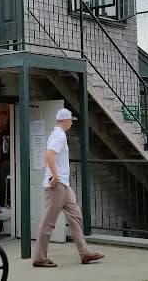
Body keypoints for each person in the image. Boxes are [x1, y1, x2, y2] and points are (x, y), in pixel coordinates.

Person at [33, 108, 103, 268]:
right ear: (65, 120)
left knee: (76, 216)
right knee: (49, 222)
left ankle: (84, 252)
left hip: (64, 184)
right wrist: (56, 175)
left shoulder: (58, 134)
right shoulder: (59, 135)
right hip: (57, 185)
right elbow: (49, 155)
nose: (71, 122)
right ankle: (39, 258)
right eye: (70, 120)